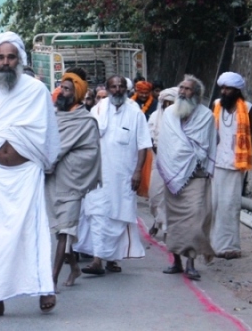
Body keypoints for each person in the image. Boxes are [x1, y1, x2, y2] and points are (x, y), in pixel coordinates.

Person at [0, 32, 59, 318]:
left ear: (20, 59)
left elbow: (47, 132)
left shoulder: (35, 90)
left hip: (26, 172)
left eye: (11, 57)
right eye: (0, 57)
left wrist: (45, 161)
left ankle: (44, 287)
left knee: (33, 232)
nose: (6, 62)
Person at [76, 75, 150, 275]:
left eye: (120, 86)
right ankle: (97, 259)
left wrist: (137, 172)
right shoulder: (97, 111)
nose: (117, 90)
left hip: (124, 176)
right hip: (99, 174)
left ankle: (112, 259)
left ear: (126, 89)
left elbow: (143, 145)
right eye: (113, 87)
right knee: (98, 213)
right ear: (107, 89)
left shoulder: (135, 113)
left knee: (119, 217)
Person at [157, 75, 217, 280]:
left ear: (196, 94)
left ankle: (191, 262)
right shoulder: (169, 115)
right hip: (173, 178)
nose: (182, 92)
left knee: (194, 221)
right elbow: (165, 145)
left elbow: (207, 145)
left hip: (196, 176)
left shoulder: (206, 116)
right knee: (173, 222)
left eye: (188, 89)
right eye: (181, 88)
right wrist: (170, 165)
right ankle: (176, 262)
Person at [46, 73, 102, 291]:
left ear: (77, 93)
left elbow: (89, 152)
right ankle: (74, 266)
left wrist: (58, 159)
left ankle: (52, 278)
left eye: (67, 89)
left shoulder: (86, 121)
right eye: (61, 87)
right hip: (52, 180)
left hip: (71, 181)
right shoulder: (53, 115)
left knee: (65, 230)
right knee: (57, 228)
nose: (62, 92)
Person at [211, 72, 252, 259]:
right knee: (213, 204)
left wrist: (241, 148)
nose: (224, 91)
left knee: (229, 206)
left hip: (235, 165)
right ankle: (212, 245)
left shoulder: (247, 108)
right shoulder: (216, 105)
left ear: (237, 90)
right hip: (215, 163)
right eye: (222, 88)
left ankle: (229, 247)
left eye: (228, 88)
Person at [146, 87, 178, 237]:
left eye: (170, 103)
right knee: (155, 196)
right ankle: (157, 221)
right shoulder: (154, 117)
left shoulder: (181, 119)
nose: (167, 106)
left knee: (171, 197)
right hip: (158, 162)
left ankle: (166, 228)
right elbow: (151, 139)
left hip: (176, 164)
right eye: (165, 103)